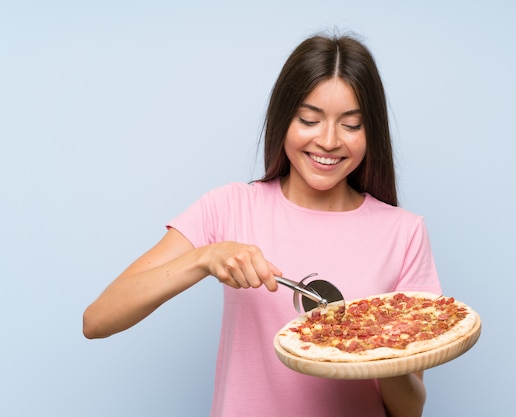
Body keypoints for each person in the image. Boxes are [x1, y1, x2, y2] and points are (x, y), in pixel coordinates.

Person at [83, 32, 442, 417]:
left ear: (371, 132)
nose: (328, 140)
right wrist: (204, 259)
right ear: (283, 118)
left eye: (351, 125)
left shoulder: (403, 233)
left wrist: (380, 346)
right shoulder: (229, 208)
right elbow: (98, 319)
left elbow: (409, 409)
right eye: (309, 120)